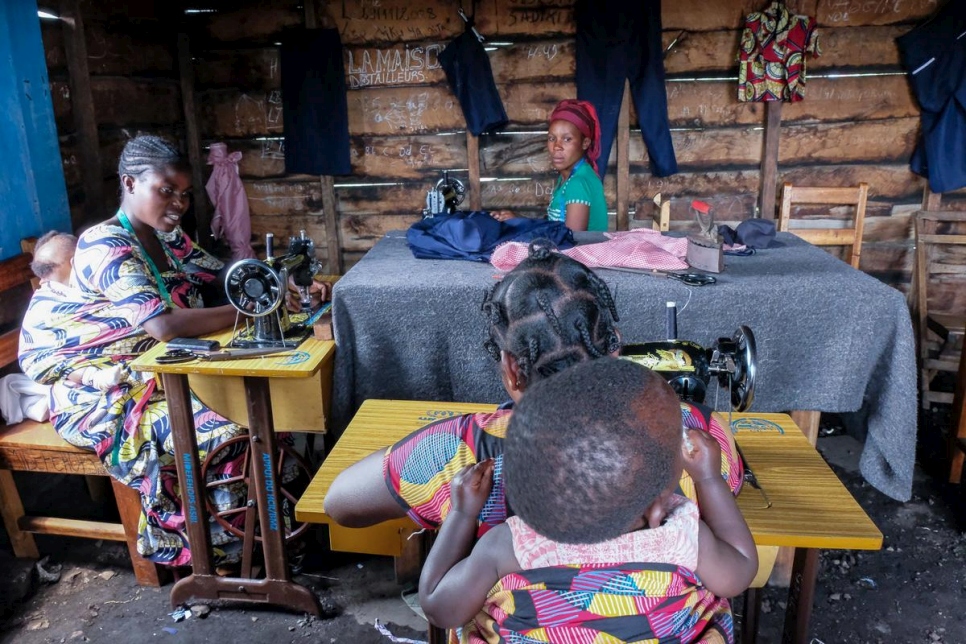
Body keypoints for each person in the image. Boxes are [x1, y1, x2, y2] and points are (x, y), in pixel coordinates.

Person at [18, 135, 326, 567]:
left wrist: (277, 282)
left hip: (164, 371)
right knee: (233, 431)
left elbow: (221, 277)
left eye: (183, 194)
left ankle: (273, 536)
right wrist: (254, 306)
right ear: (129, 183)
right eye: (166, 191)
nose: (178, 203)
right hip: (107, 391)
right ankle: (223, 555)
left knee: (275, 416)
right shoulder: (104, 245)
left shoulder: (168, 238)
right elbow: (161, 325)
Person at [323, 241, 742, 536]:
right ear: (612, 345)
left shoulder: (461, 452)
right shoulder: (694, 439)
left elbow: (340, 502)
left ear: (511, 369)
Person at [419, 358, 758, 642]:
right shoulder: (683, 537)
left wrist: (462, 513)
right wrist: (709, 479)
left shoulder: (508, 546)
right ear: (658, 509)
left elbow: (438, 606)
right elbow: (740, 569)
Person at [490, 99, 608, 232]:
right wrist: (520, 219)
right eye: (552, 138)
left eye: (567, 139)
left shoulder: (578, 183)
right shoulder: (568, 177)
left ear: (585, 143)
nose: (557, 146)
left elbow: (571, 241)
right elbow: (557, 227)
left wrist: (524, 226)